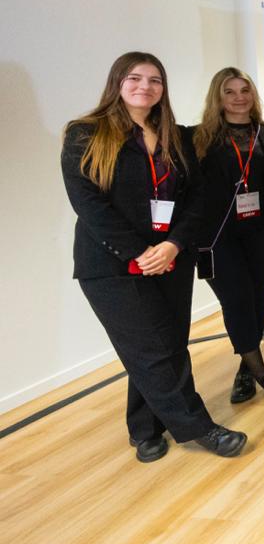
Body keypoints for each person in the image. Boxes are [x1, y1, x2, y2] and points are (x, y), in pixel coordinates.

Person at [62, 51, 249, 462]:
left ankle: (145, 428)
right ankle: (200, 429)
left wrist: (173, 245)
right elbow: (89, 205)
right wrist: (140, 252)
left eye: (154, 80)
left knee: (166, 343)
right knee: (153, 348)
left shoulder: (176, 136)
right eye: (135, 78)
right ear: (117, 82)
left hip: (171, 259)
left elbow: (197, 198)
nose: (144, 87)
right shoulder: (85, 133)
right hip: (111, 265)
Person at [193, 67, 264, 405]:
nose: (239, 98)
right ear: (217, 98)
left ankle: (245, 368)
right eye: (230, 91)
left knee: (256, 298)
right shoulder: (199, 139)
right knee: (236, 299)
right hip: (218, 237)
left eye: (244, 90)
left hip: (260, 233)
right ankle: (262, 371)